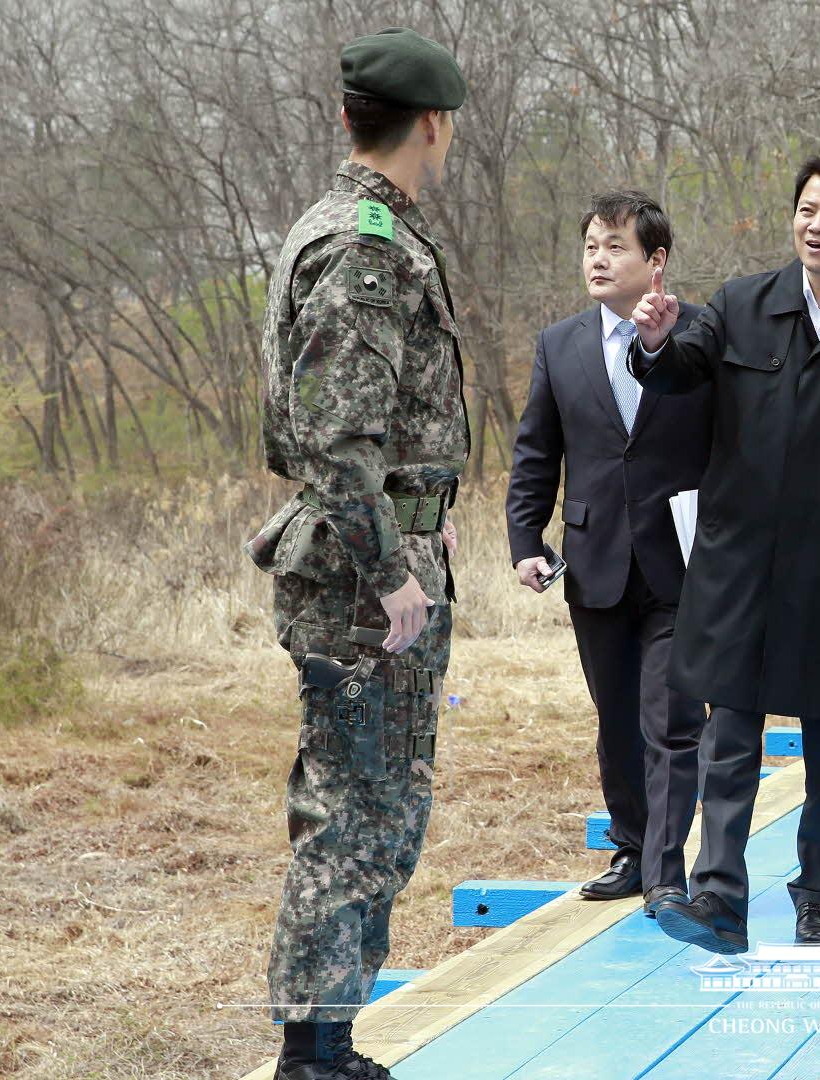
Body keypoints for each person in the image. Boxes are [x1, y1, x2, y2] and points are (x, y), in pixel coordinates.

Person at [628, 154, 820, 954]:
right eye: (805, 209)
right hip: (739, 564)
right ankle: (718, 898)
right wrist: (656, 342)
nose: (815, 225)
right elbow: (679, 370)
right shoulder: (742, 304)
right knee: (730, 732)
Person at [246, 27, 469, 1080]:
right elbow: (340, 438)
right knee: (356, 812)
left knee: (373, 804)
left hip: (373, 549)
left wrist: (425, 514)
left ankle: (327, 1038)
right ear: (432, 124)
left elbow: (382, 432)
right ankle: (314, 1049)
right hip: (356, 580)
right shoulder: (366, 247)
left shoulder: (339, 226)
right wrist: (392, 571)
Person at [505, 190, 712, 911]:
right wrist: (524, 539)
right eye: (591, 244)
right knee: (616, 716)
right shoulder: (559, 344)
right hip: (593, 561)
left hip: (682, 562)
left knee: (672, 719)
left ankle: (665, 872)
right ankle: (632, 848)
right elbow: (537, 451)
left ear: (655, 261)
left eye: (615, 245)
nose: (598, 257)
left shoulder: (700, 336)